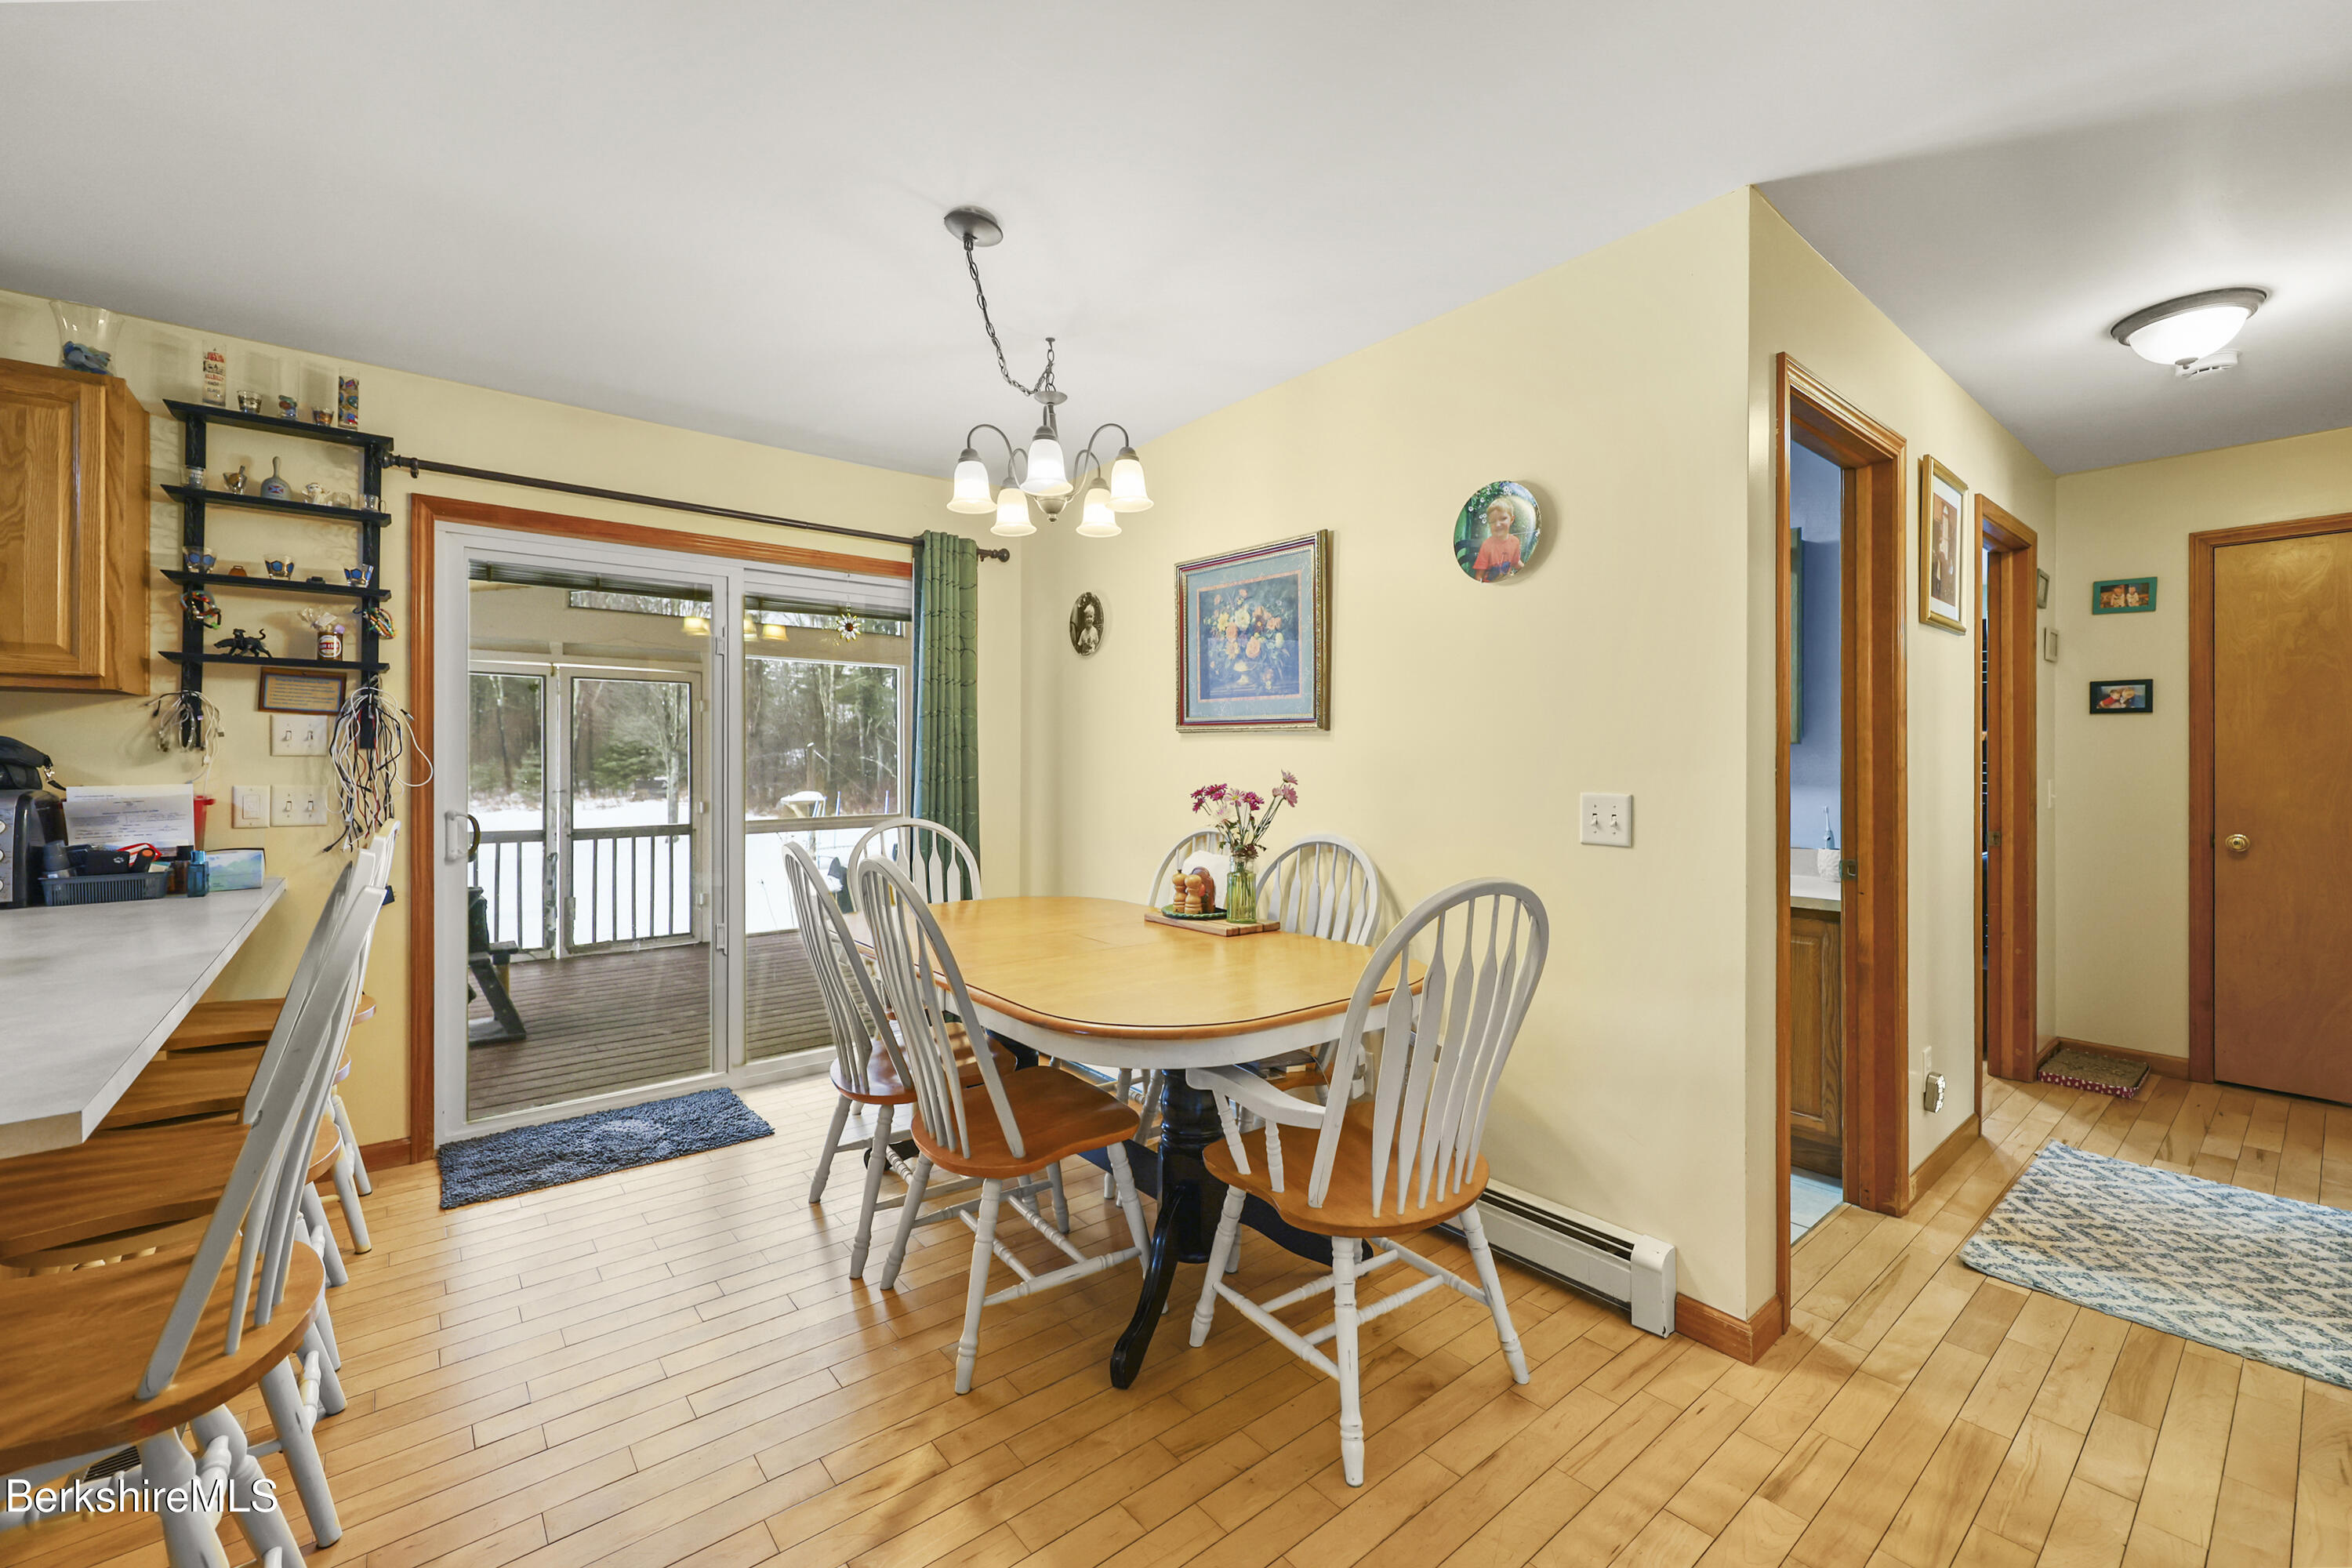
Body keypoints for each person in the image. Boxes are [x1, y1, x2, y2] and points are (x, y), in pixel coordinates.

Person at [1472, 501, 1525, 582]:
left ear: (1511, 519)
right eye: (1493, 522)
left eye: (1503, 519)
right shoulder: (1487, 545)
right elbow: (1479, 576)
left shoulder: (1515, 541)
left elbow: (1516, 562)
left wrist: (1528, 570)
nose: (1498, 525)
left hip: (1506, 582)